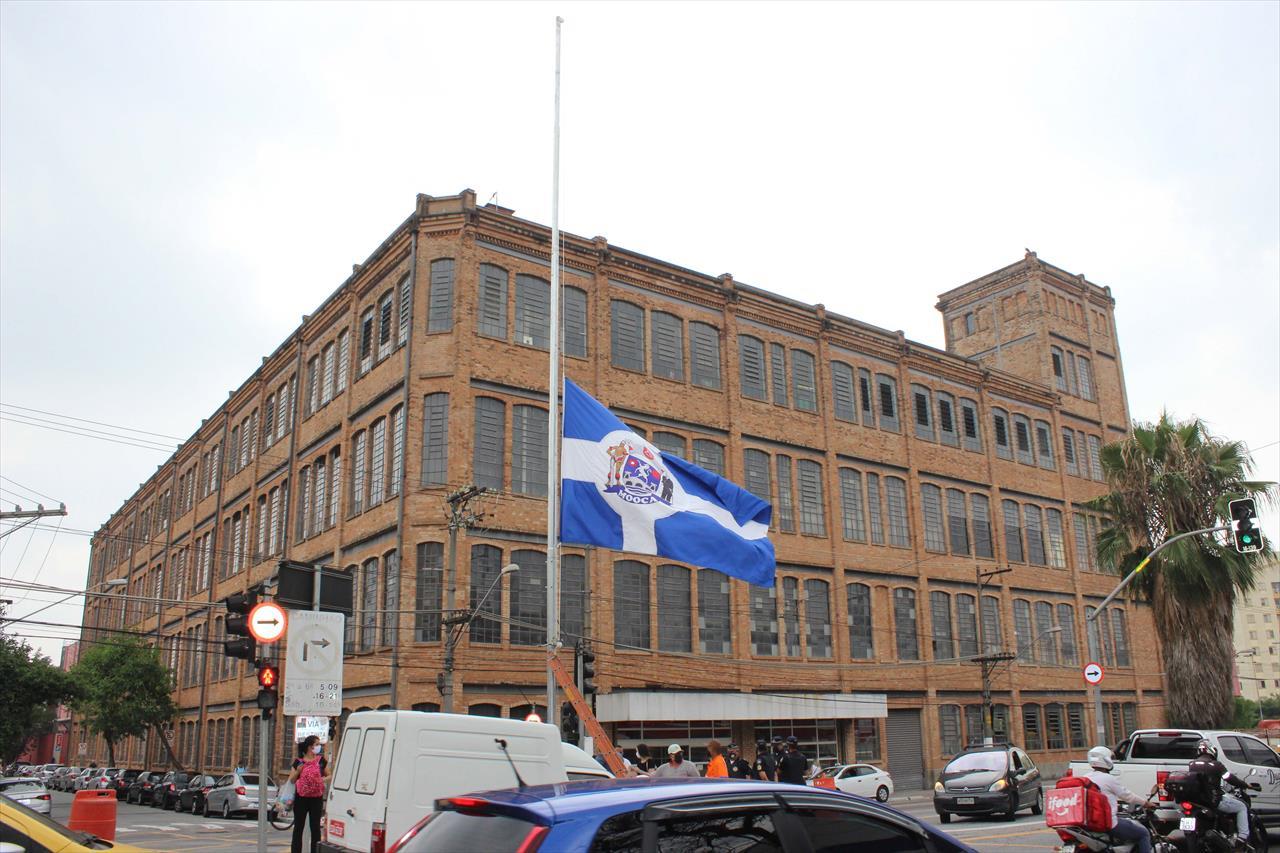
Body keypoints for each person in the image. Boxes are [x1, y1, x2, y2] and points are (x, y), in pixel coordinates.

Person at [1083, 746, 1152, 853]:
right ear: (1106, 760)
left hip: (1089, 823)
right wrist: (1146, 803)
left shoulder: (1085, 778)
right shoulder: (1108, 778)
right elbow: (1128, 796)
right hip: (1108, 823)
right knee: (1143, 834)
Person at [1188, 739, 1250, 847]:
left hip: (1197, 801)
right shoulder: (1216, 765)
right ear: (1211, 750)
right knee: (1242, 807)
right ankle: (1242, 837)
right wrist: (1245, 785)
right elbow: (1230, 778)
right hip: (1213, 801)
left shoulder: (1192, 764)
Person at [287, 735, 330, 853]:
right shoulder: (298, 762)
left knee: (315, 828)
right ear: (310, 747)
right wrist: (298, 771)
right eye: (317, 744)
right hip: (301, 798)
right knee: (298, 828)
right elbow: (292, 780)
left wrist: (321, 780)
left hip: (316, 798)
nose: (319, 746)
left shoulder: (321, 761)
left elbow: (330, 775)